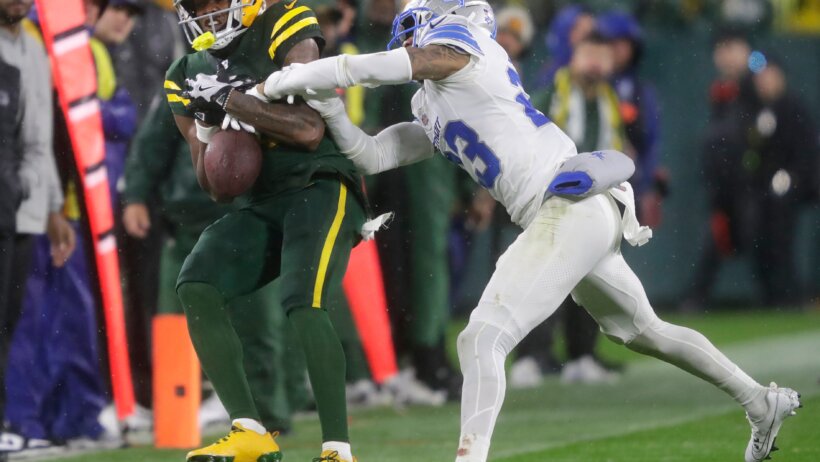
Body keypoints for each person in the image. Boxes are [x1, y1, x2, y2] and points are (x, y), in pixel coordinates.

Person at [254, 1, 802, 461]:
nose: (412, 47)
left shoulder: (466, 52)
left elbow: (376, 67)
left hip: (567, 201)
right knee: (643, 331)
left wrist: (291, 77)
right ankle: (759, 400)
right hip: (574, 211)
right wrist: (325, 105)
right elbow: (371, 154)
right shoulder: (431, 102)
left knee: (481, 337)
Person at [167, 1, 367, 461]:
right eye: (198, 6)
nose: (209, 12)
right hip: (264, 200)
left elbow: (310, 128)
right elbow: (214, 186)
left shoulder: (284, 22)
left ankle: (338, 449)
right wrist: (205, 122)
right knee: (197, 281)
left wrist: (232, 100)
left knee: (303, 300)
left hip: (320, 181)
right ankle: (250, 431)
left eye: (216, 1)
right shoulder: (186, 71)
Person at [0, 0, 76, 456]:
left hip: (23, 207)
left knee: (8, 322)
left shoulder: (32, 48)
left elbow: (39, 137)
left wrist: (51, 207)